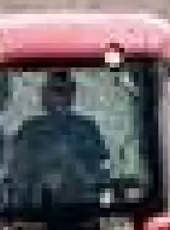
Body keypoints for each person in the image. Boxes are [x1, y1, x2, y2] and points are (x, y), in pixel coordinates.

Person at [9, 68, 108, 201]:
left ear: (72, 94)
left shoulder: (87, 131)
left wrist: (72, 168)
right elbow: (17, 177)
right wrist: (42, 177)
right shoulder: (29, 132)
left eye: (64, 91)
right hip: (36, 211)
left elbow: (98, 177)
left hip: (81, 210)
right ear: (44, 94)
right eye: (55, 90)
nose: (59, 97)